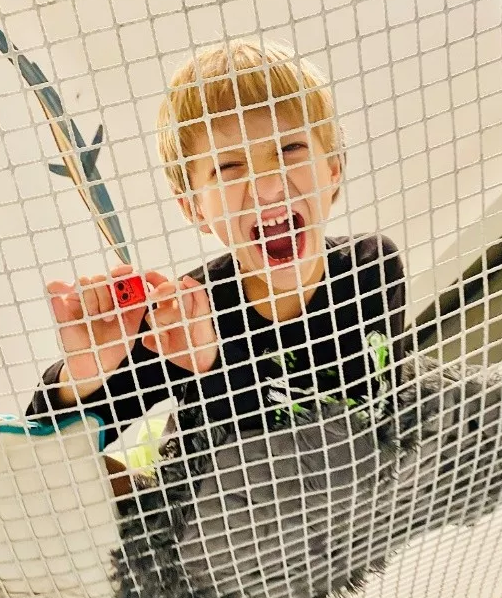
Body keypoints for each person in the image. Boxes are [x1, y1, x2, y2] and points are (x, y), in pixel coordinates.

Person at [26, 40, 406, 452]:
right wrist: (86, 374)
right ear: (194, 207)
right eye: (228, 167)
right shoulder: (182, 319)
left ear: (334, 168)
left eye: (289, 149)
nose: (267, 187)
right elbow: (45, 448)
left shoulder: (373, 267)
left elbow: (384, 421)